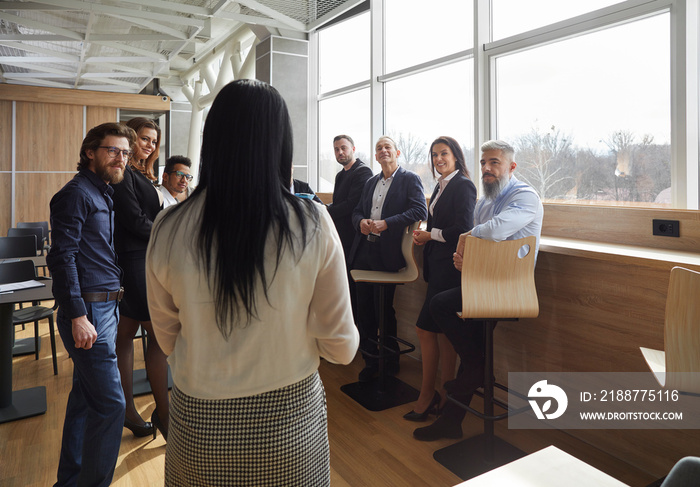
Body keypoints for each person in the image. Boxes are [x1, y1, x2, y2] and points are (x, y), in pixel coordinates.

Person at [145, 79, 359, 486]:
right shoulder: (311, 222)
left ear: (212, 142)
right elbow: (342, 348)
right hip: (289, 428)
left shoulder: (169, 226)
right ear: (280, 144)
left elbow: (167, 336)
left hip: (198, 425)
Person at [413, 139, 544, 441]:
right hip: (483, 281)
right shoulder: (485, 201)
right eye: (483, 162)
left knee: (442, 306)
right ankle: (461, 400)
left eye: (494, 163)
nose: (486, 168)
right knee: (465, 335)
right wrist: (463, 254)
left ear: (511, 167)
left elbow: (494, 230)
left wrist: (466, 241)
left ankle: (474, 372)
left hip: (510, 287)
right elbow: (474, 244)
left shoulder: (525, 196)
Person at [47, 122, 132, 486]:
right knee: (112, 404)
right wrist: (79, 314)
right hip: (90, 312)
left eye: (125, 153)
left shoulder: (103, 194)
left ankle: (69, 481)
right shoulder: (77, 193)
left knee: (85, 399)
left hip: (106, 309)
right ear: (90, 153)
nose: (122, 158)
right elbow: (61, 257)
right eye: (114, 150)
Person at [404, 136, 476, 422]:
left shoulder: (464, 185)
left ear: (456, 156)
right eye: (434, 155)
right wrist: (426, 238)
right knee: (442, 335)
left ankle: (428, 395)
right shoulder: (440, 185)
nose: (438, 159)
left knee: (424, 329)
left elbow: (464, 228)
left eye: (443, 154)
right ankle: (444, 397)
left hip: (451, 269)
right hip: (437, 266)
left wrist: (430, 235)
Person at [350, 135, 428, 382]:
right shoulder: (371, 182)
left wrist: (386, 224)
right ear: (375, 156)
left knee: (382, 308)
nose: (383, 151)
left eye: (387, 147)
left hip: (389, 253)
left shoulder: (410, 179)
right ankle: (370, 360)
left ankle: (390, 361)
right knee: (363, 309)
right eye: (379, 148)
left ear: (398, 153)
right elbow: (357, 211)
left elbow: (419, 210)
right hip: (364, 250)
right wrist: (361, 222)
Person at [112, 117, 169, 440]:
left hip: (142, 260)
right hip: (134, 262)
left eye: (152, 141)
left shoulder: (140, 175)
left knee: (125, 336)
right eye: (143, 139)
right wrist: (170, 232)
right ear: (130, 139)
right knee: (158, 338)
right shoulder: (124, 176)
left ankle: (131, 412)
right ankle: (164, 413)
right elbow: (135, 221)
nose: (148, 145)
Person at [327, 135, 373, 259]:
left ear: (353, 149)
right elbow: (338, 203)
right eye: (336, 149)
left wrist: (325, 211)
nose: (340, 152)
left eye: (343, 148)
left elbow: (351, 205)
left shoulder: (363, 171)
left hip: (353, 235)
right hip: (339, 234)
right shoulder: (340, 175)